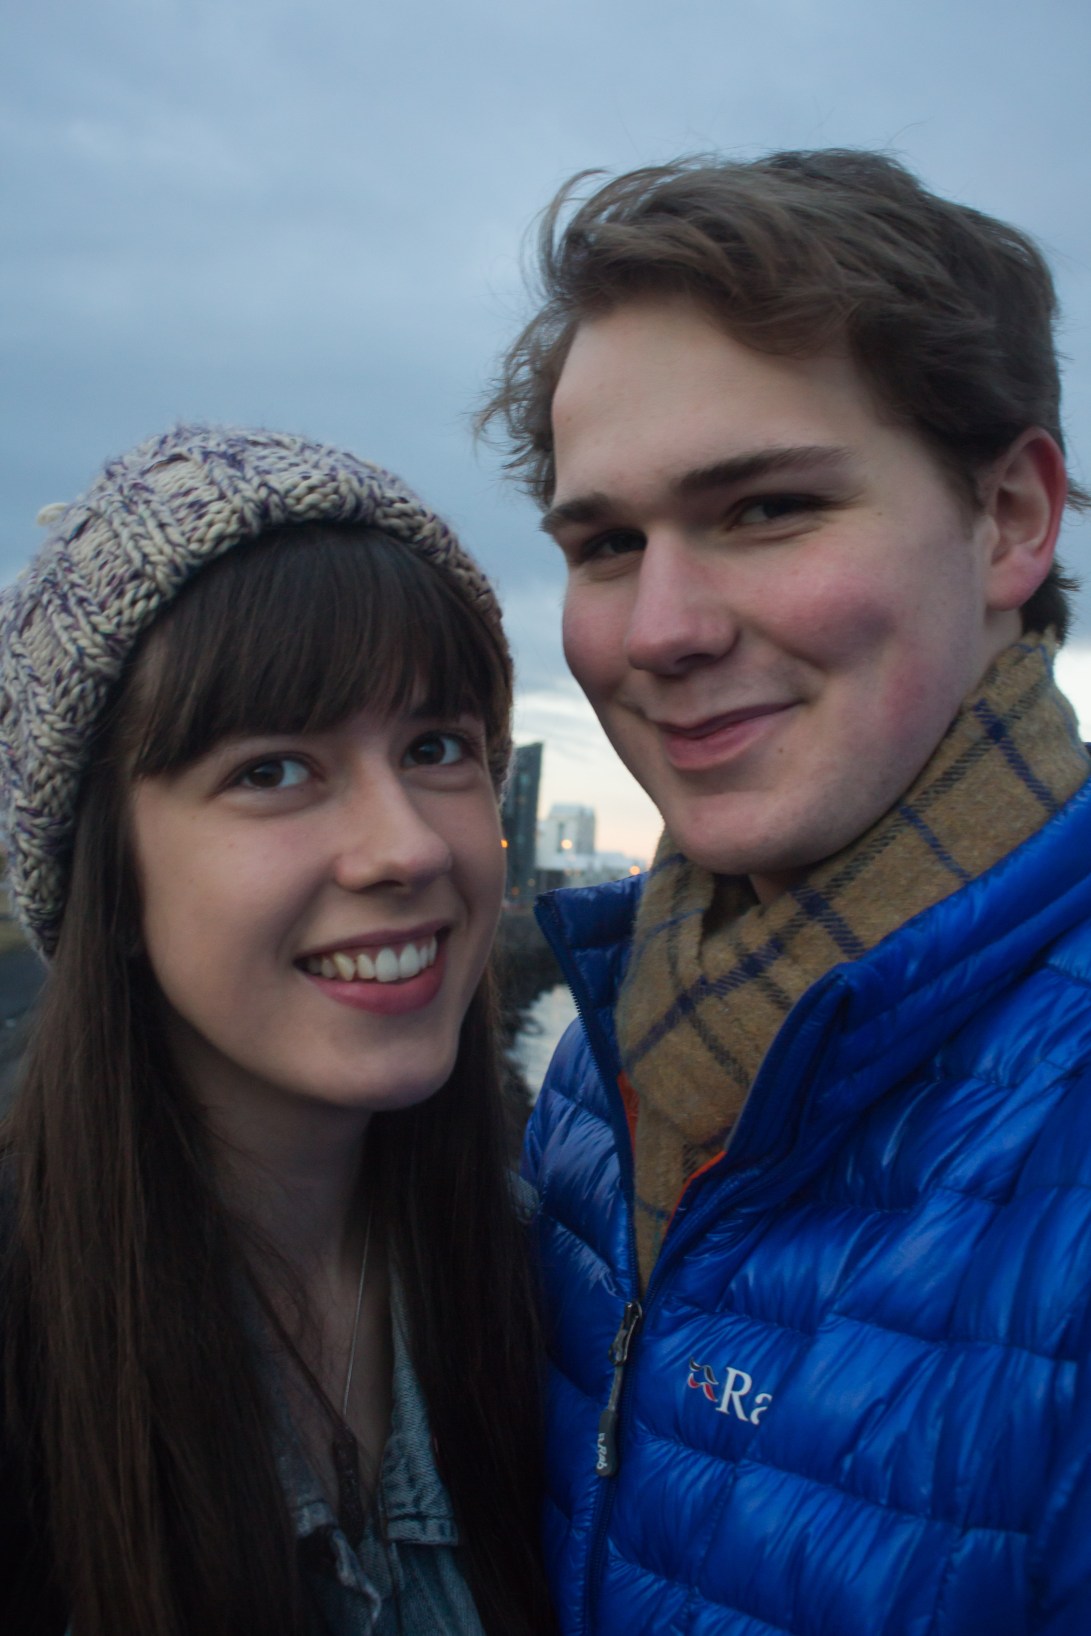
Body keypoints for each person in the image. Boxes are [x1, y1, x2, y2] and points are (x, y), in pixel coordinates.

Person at [480, 151, 1091, 1633]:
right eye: (605, 543)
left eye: (761, 508)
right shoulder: (607, 1058)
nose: (661, 629)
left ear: (1010, 519)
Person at [0, 424, 553, 1636]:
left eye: (436, 748)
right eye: (271, 770)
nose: (404, 846)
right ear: (108, 878)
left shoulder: (557, 1285)